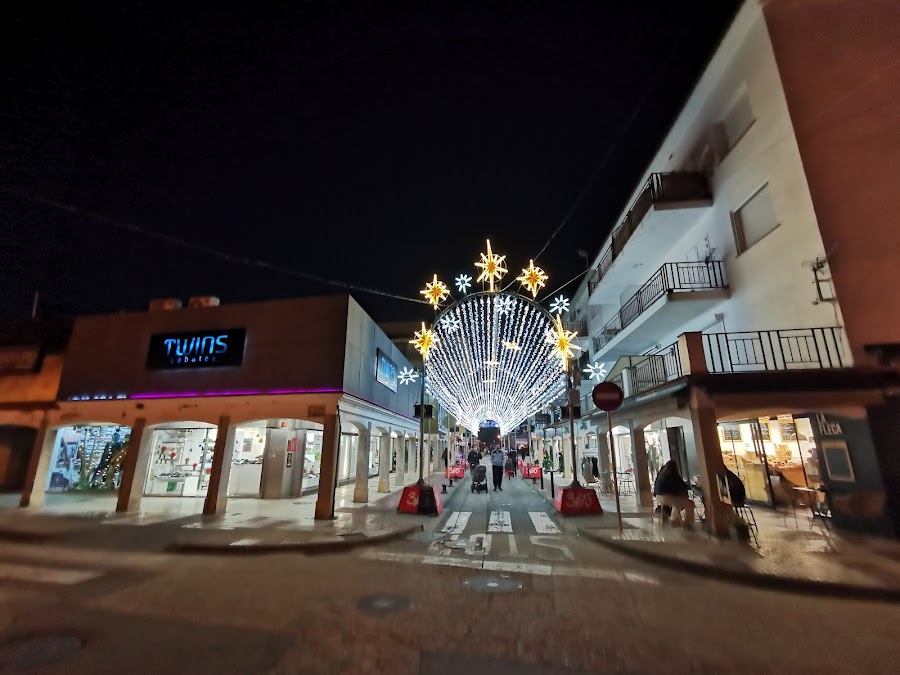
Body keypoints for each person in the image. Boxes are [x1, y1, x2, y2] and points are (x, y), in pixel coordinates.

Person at [654, 460, 695, 528]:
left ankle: (675, 520)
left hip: (659, 499)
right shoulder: (673, 475)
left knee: (678, 502)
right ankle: (687, 523)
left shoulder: (660, 475)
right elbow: (682, 486)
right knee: (689, 503)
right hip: (670, 498)